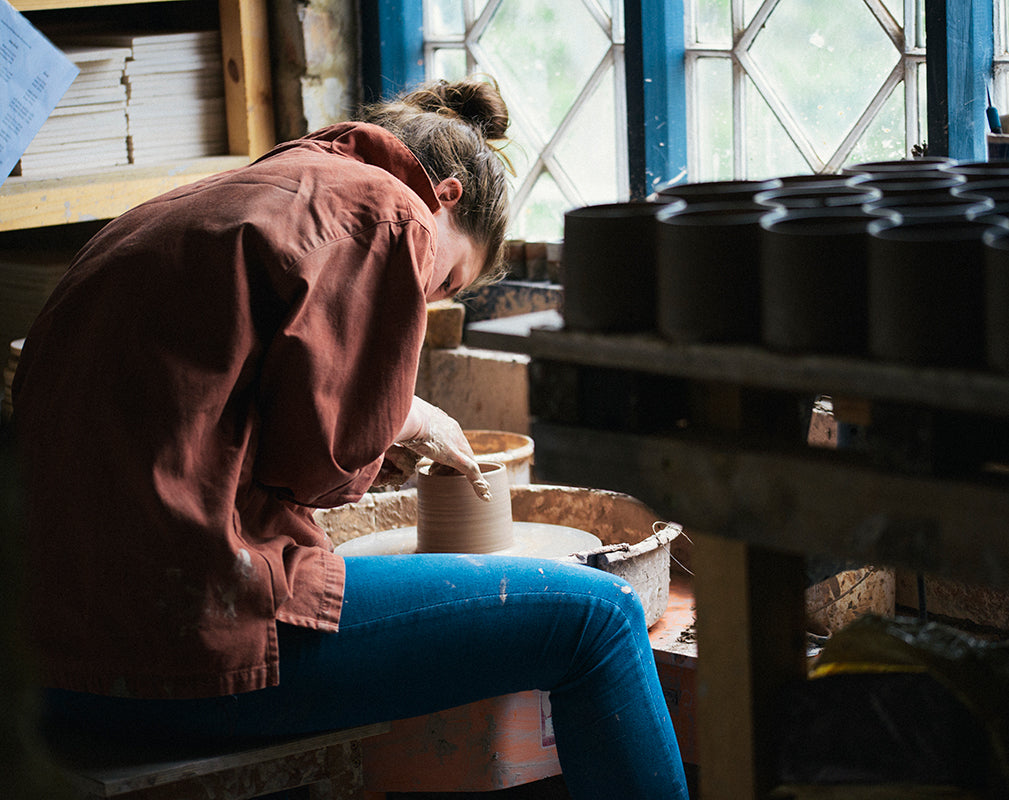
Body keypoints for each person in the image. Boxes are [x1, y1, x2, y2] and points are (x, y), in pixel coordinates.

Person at [11, 77, 689, 799]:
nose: (422, 304)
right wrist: (410, 416)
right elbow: (322, 470)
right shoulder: (386, 211)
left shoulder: (215, 202)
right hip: (176, 649)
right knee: (603, 619)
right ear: (445, 199)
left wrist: (393, 408)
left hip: (44, 654)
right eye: (442, 283)